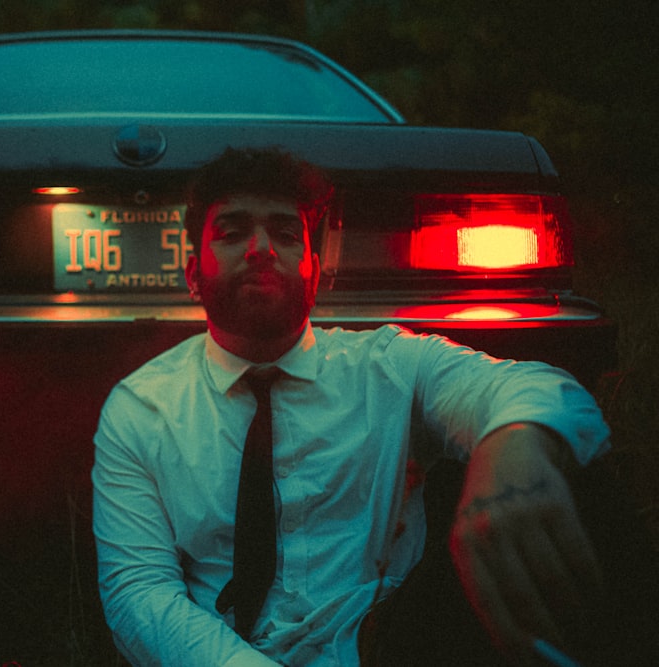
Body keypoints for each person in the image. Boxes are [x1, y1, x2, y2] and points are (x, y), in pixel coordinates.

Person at [91, 147, 651, 666]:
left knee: (570, 477)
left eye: (286, 234)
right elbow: (139, 592)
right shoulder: (142, 407)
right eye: (233, 233)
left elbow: (533, 390)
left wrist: (512, 443)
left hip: (388, 638)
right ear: (194, 275)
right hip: (230, 652)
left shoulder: (386, 363)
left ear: (316, 274)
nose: (261, 248)